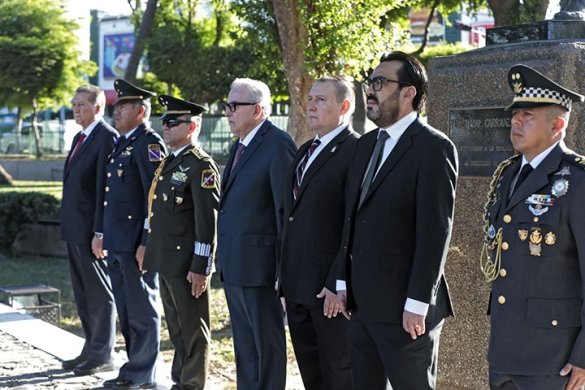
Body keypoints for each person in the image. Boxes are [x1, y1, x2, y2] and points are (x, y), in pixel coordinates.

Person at [331, 51, 458, 390]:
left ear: (408, 92)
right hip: (360, 306)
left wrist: (418, 303)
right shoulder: (366, 144)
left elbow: (435, 233)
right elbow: (351, 219)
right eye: (368, 83)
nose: (369, 91)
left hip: (406, 313)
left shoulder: (433, 147)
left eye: (379, 83)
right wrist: (341, 281)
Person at [481, 65, 585, 390]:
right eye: (515, 114)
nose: (515, 121)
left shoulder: (577, 182)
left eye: (527, 115)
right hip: (504, 353)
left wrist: (584, 355)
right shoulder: (508, 175)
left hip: (554, 359)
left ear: (557, 125)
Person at [278, 75, 359, 390]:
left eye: (321, 100)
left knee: (339, 373)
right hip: (298, 284)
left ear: (344, 106)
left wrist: (339, 280)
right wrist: (282, 276)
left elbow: (353, 222)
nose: (310, 105)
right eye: (310, 98)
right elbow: (289, 217)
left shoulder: (356, 150)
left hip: (330, 291)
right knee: (311, 373)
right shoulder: (304, 151)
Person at [217, 78, 297, 389]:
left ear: (258, 110)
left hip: (262, 270)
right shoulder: (240, 145)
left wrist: (283, 273)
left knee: (267, 348)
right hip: (236, 265)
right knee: (245, 348)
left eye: (233, 106)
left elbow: (285, 212)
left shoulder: (277, 144)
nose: (227, 112)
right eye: (227, 106)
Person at [143, 95, 220, 390]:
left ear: (192, 126)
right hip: (166, 259)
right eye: (164, 121)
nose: (165, 126)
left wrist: (201, 267)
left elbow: (207, 223)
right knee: (177, 329)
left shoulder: (200, 166)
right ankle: (180, 381)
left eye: (173, 122)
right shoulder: (170, 162)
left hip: (187, 264)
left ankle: (192, 384)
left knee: (193, 330)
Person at [102, 79, 166, 389]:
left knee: (142, 308)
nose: (116, 111)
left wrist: (147, 242)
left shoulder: (149, 144)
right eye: (116, 106)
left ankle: (144, 374)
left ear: (141, 111)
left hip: (135, 244)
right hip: (118, 242)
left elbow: (155, 198)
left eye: (123, 106)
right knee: (127, 311)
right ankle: (133, 370)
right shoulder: (123, 142)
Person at [60, 84, 117, 376]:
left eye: (81, 104)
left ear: (98, 108)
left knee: (99, 293)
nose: (75, 108)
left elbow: (105, 190)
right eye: (73, 104)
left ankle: (103, 353)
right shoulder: (80, 137)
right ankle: (90, 347)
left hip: (91, 233)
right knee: (82, 294)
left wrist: (101, 232)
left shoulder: (107, 137)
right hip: (74, 228)